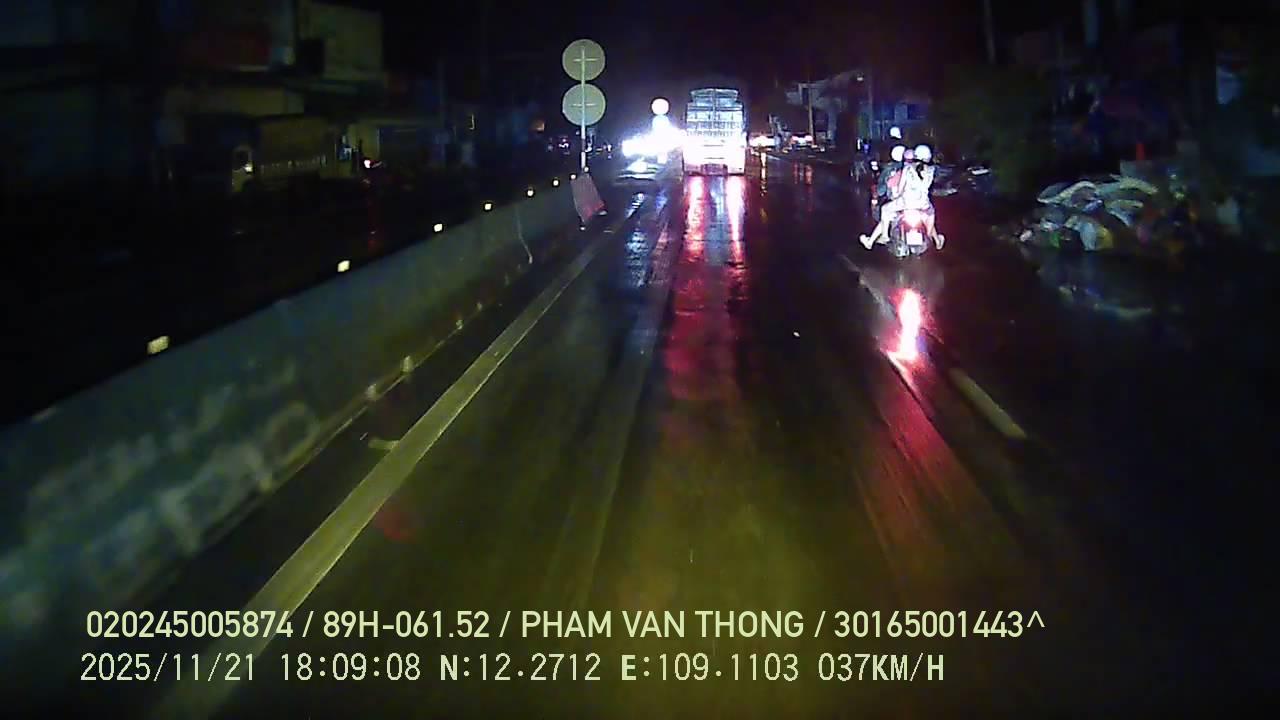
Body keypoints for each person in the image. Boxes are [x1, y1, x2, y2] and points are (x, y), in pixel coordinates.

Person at [862, 144, 943, 249]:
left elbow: (899, 189)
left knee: (885, 209)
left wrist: (898, 196)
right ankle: (937, 241)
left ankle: (884, 236)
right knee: (929, 214)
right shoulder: (931, 170)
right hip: (923, 204)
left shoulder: (907, 169)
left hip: (906, 202)